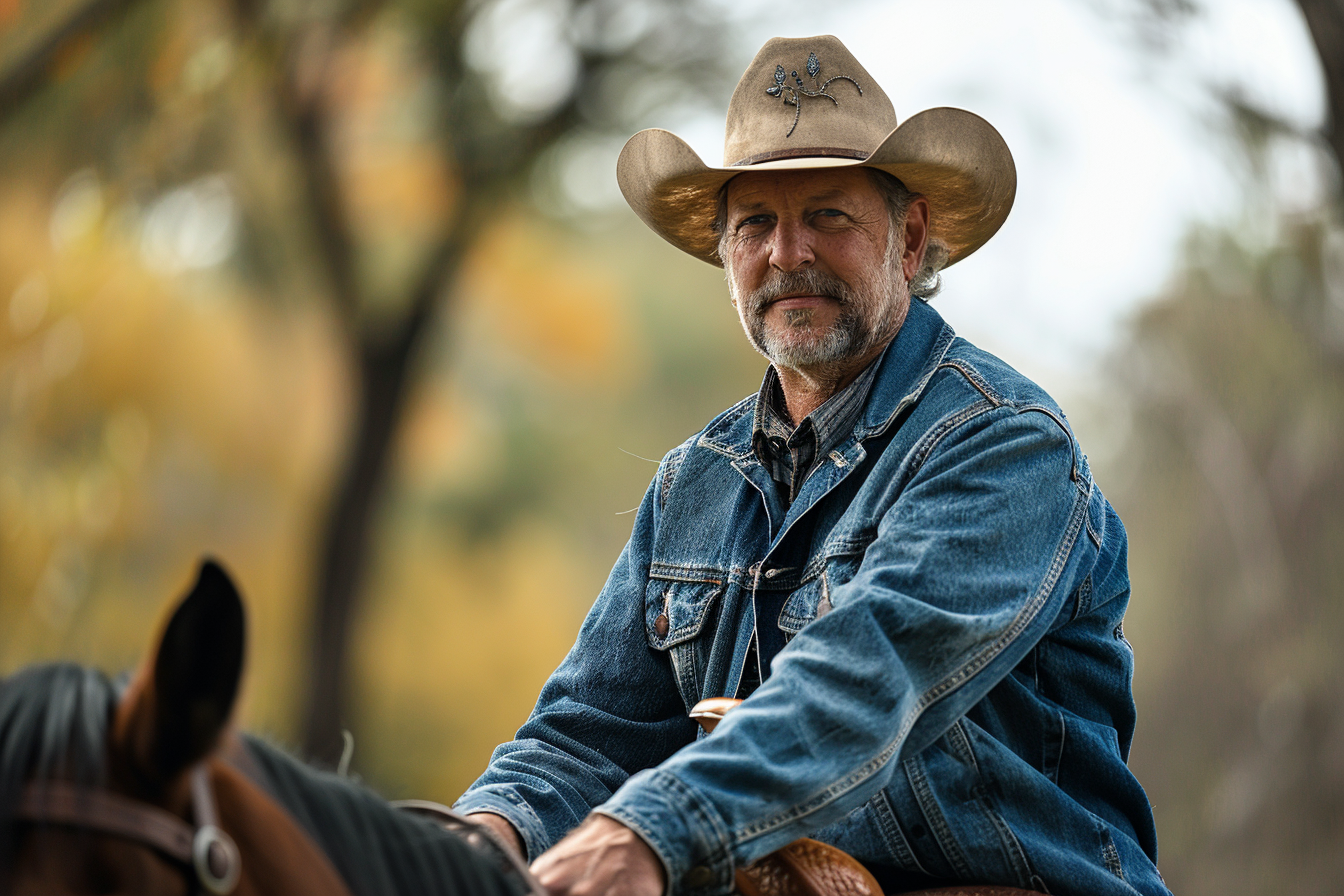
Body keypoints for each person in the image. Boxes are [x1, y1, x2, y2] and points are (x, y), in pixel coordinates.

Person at [454, 34, 1169, 896]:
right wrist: (478, 835)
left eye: (828, 215)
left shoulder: (1004, 444)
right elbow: (587, 735)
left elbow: (870, 674)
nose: (787, 252)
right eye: (755, 223)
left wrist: (649, 831)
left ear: (909, 239)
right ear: (725, 256)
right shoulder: (694, 483)